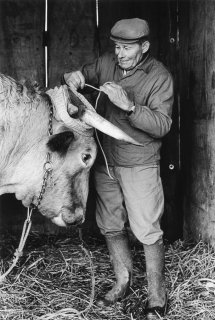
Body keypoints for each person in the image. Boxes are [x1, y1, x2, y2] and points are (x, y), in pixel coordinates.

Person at [63, 18, 173, 319]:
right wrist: (74, 77)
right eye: (116, 47)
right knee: (110, 223)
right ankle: (122, 282)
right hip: (106, 163)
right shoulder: (106, 63)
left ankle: (156, 297)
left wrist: (130, 108)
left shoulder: (159, 76)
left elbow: (163, 125)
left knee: (147, 229)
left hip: (139, 164)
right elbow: (83, 74)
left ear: (144, 47)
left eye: (126, 48)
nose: (120, 53)